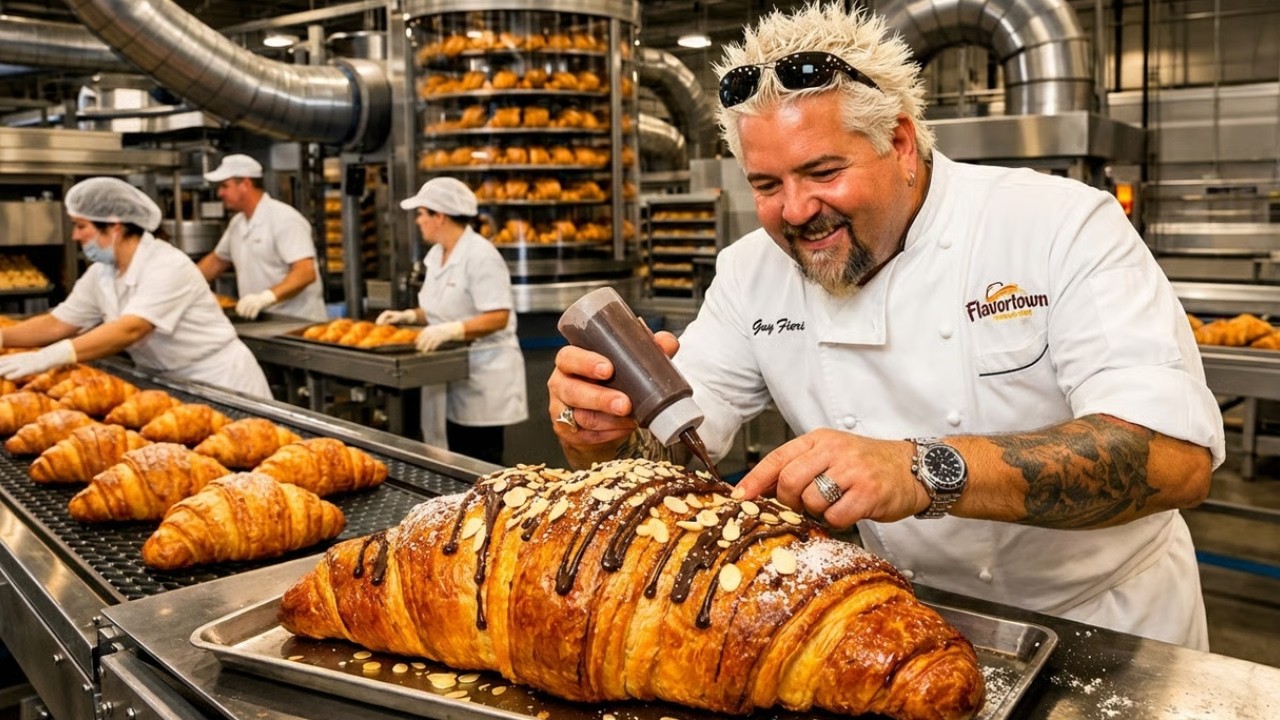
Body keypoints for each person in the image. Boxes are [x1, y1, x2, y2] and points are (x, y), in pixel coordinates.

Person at [546, 4, 1224, 650]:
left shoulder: (1057, 225)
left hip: (1109, 621)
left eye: (823, 171)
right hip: (902, 616)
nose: (795, 210)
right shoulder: (751, 272)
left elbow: (1175, 459)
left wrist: (919, 468)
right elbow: (666, 453)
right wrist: (600, 432)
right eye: (767, 185)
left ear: (899, 142)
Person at [0, 177, 271, 398]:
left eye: (81, 226)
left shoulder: (167, 265)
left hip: (220, 381)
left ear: (115, 227)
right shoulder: (101, 273)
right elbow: (57, 324)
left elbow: (132, 328)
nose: (75, 236)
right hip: (166, 384)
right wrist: (3, 337)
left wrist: (49, 356)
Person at [377, 177, 527, 464]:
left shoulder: (481, 256)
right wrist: (410, 315)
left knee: (480, 459)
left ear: (440, 216)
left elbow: (498, 316)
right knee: (450, 454)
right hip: (447, 370)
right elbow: (441, 307)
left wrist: (452, 330)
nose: (418, 221)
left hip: (482, 375)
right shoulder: (436, 255)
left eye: (422, 214)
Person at [197, 154, 327, 321]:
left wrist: (266, 297)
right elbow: (216, 262)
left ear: (245, 184)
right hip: (261, 320)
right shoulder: (237, 223)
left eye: (225, 186)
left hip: (296, 321)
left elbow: (305, 272)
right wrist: (181, 283)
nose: (220, 193)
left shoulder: (284, 219)